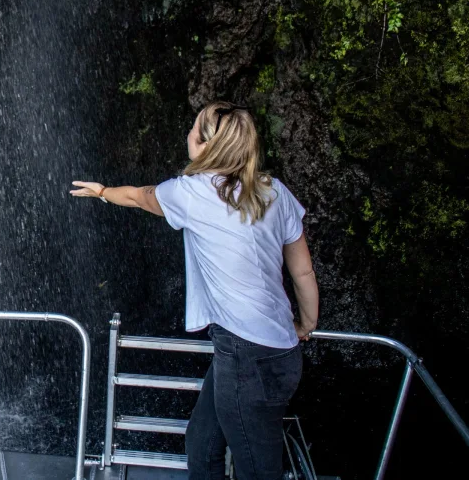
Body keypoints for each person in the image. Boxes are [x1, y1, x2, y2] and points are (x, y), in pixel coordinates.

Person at [70, 101, 319, 480]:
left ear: (205, 146)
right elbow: (302, 271)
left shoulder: (190, 193)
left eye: (193, 129)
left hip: (245, 358)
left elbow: (138, 196)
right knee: (202, 445)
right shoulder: (274, 192)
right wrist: (306, 322)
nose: (187, 134)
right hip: (276, 352)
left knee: (259, 470)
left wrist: (103, 190)